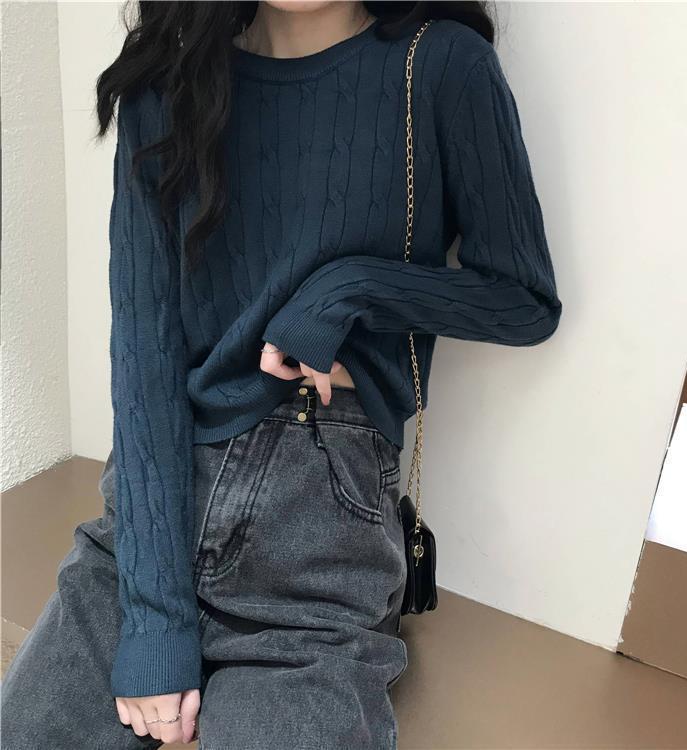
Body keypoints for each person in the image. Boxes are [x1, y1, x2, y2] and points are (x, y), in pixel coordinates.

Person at [1, 1, 563, 747]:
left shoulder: (440, 66)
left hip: (320, 541)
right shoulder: (165, 84)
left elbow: (522, 300)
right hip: (152, 517)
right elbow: (144, 361)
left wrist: (346, 291)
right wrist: (155, 623)